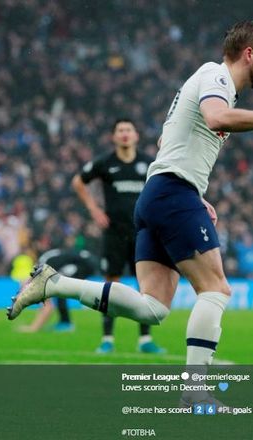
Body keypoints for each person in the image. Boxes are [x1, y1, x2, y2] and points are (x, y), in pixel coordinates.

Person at [8, 21, 253, 401]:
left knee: (153, 308)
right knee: (216, 289)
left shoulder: (212, 85)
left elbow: (164, 138)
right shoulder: (215, 76)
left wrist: (193, 191)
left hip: (162, 193)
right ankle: (194, 391)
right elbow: (216, 120)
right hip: (171, 194)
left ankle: (54, 284)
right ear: (249, 53)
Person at [71, 118, 164, 354]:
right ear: (113, 137)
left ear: (136, 136)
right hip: (114, 233)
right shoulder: (105, 163)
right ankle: (107, 339)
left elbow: (162, 187)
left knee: (146, 287)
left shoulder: (147, 163)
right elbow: (78, 182)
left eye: (128, 130)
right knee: (111, 285)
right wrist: (94, 209)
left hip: (142, 233)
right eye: (120, 130)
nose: (124, 134)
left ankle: (145, 341)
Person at [16, 244, 99, 333]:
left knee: (60, 288)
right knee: (59, 287)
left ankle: (66, 323)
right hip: (86, 260)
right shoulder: (44, 261)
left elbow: (48, 307)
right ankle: (64, 322)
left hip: (85, 263)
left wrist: (33, 328)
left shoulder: (42, 269)